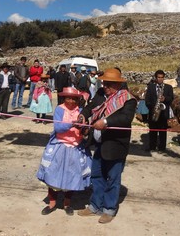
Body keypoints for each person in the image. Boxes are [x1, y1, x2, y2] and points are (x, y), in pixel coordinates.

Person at [77, 68, 137, 224]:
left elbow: (125, 118)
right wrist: (83, 115)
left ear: (118, 84)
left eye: (109, 84)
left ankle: (109, 209)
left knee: (112, 179)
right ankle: (95, 205)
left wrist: (105, 122)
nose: (106, 86)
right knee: (96, 175)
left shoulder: (128, 99)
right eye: (104, 83)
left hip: (116, 145)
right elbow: (90, 107)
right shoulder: (100, 94)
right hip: (99, 144)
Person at [36, 87, 92, 216]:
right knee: (53, 173)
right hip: (60, 145)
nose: (71, 101)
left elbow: (85, 129)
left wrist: (84, 128)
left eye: (74, 98)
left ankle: (67, 203)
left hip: (76, 146)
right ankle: (52, 203)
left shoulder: (82, 111)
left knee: (71, 175)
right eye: (68, 98)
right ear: (64, 98)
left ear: (78, 99)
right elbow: (59, 128)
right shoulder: (60, 109)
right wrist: (73, 124)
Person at [144, 70, 173, 153]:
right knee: (152, 130)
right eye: (158, 77)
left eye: (162, 77)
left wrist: (165, 99)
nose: (160, 79)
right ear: (156, 78)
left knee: (163, 131)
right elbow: (147, 100)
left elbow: (171, 99)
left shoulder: (168, 87)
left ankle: (162, 148)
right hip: (153, 112)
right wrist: (153, 108)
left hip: (163, 113)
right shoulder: (151, 87)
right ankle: (152, 147)